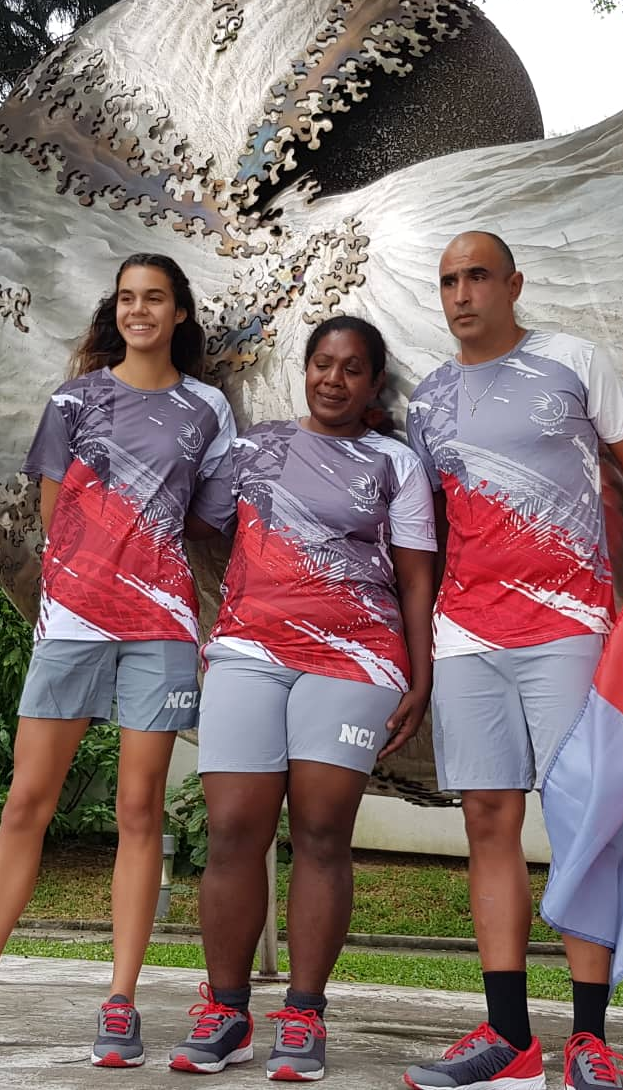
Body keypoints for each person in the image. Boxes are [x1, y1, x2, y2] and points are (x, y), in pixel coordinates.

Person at [0, 253, 236, 1066]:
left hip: (162, 626)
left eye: (154, 299)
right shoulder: (74, 401)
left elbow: (208, 518)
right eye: (127, 299)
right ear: (115, 311)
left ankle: (121, 1002)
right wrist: (89, 585)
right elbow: (57, 523)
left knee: (140, 812)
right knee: (28, 802)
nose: (139, 311)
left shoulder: (207, 410)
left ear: (180, 314)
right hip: (72, 624)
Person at [402, 232, 623, 1090]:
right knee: (488, 820)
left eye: (478, 275)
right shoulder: (428, 402)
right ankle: (510, 1037)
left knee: (582, 823)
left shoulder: (573, 360)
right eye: (449, 280)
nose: (462, 293)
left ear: (514, 284)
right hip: (467, 636)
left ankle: (589, 1037)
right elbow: (426, 530)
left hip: (567, 628)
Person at [167, 316, 439, 1081]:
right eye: (322, 364)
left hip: (355, 662)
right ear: (305, 369)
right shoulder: (251, 449)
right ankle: (226, 1013)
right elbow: (195, 528)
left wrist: (420, 676)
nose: (333, 380)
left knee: (322, 830)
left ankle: (304, 1016)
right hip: (249, 651)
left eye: (352, 369)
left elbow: (417, 578)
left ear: (373, 383)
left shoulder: (396, 465)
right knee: (231, 830)